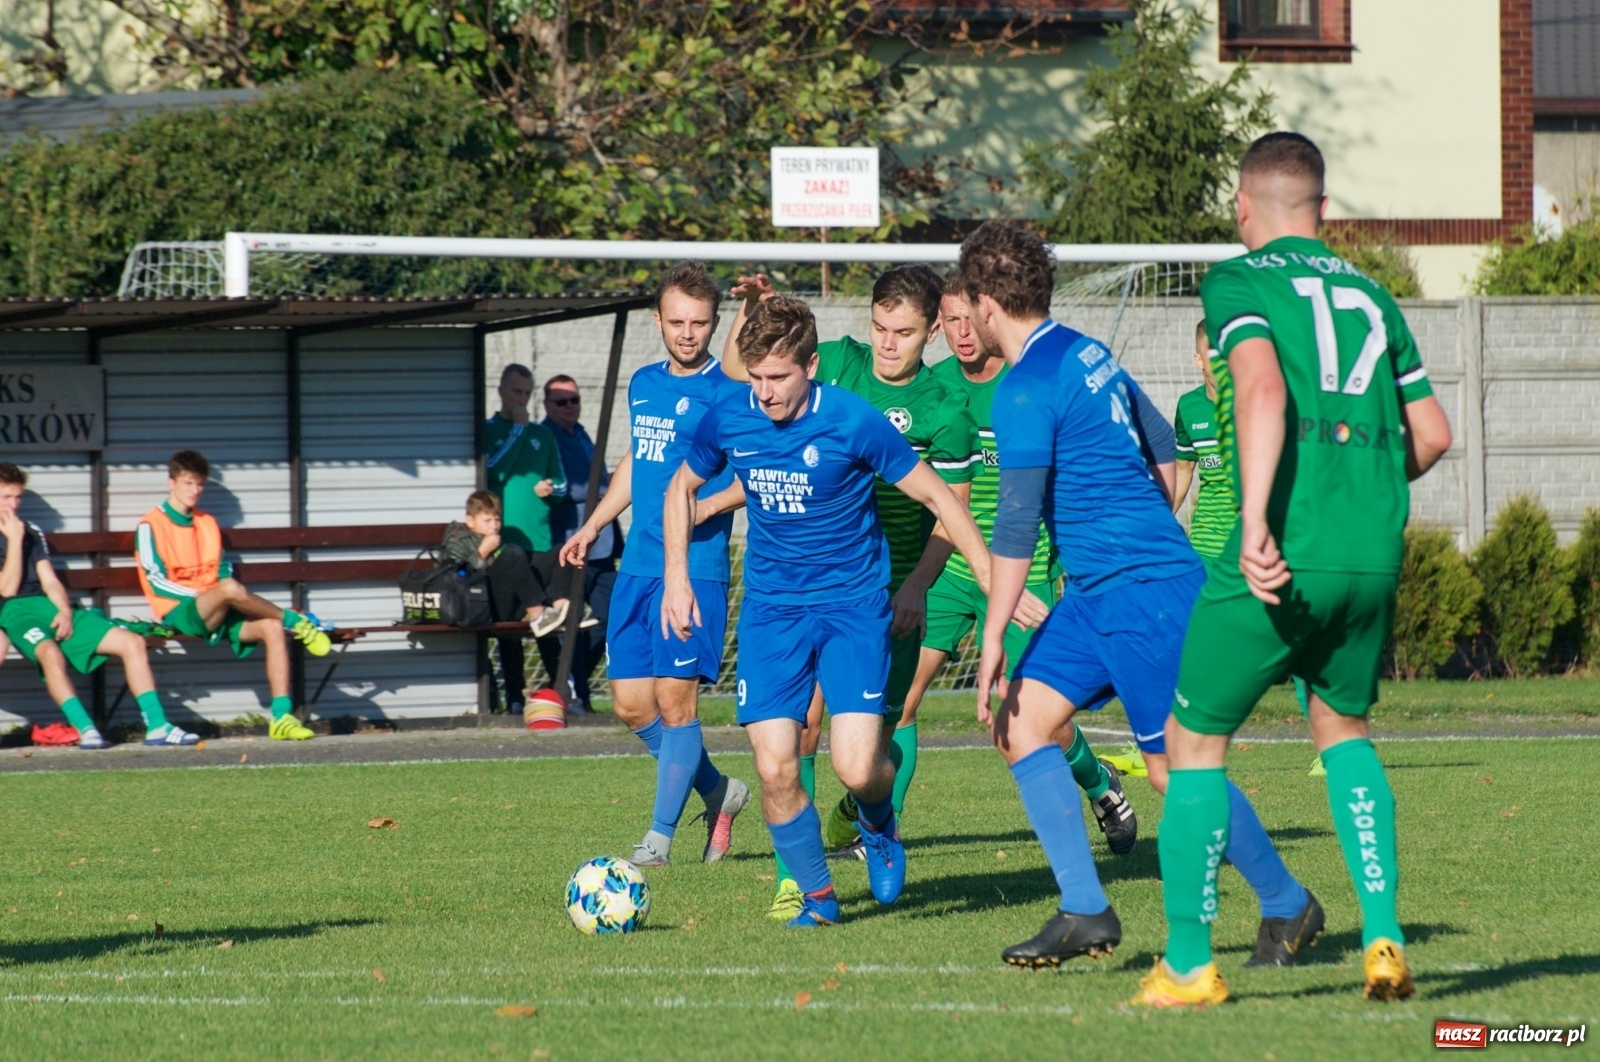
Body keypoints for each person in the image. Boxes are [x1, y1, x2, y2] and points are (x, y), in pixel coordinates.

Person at [1136, 133, 1452, 1007]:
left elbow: (1263, 390)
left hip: (1281, 552)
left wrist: (1253, 520)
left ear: (1243, 206)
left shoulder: (1241, 282)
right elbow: (1432, 436)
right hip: (1371, 555)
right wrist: (1365, 490)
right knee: (1342, 728)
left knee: (1192, 745)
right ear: (1324, 210)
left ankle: (1189, 966)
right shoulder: (1375, 296)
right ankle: (1383, 939)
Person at [959, 220, 1314, 973]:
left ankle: (1287, 902)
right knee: (1022, 723)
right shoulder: (1086, 351)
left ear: (986, 303)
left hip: (1143, 594)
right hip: (1097, 594)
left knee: (1175, 771)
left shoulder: (1022, 388)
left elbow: (1015, 526)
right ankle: (1084, 907)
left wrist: (992, 636)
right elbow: (1160, 443)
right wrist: (1131, 516)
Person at [663, 294, 993, 928]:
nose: (764, 392)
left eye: (778, 377)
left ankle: (878, 821)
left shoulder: (853, 420)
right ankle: (818, 898)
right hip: (771, 612)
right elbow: (682, 486)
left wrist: (989, 577)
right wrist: (677, 579)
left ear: (811, 366)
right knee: (774, 765)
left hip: (852, 609)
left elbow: (939, 497)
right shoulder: (731, 415)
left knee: (857, 767)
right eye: (756, 376)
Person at [896, 274, 1138, 858]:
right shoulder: (931, 389)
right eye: (949, 321)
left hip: (1021, 572)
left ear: (989, 316)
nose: (961, 332)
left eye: (968, 318)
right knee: (898, 699)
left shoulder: (1029, 384)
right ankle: (882, 834)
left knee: (1026, 711)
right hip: (948, 564)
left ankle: (1098, 783)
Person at [560, 262, 752, 867]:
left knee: (675, 702)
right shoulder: (643, 383)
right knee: (631, 705)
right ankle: (719, 791)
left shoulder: (731, 389)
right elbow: (637, 461)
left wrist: (706, 508)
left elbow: (754, 471)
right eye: (677, 322)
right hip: (638, 566)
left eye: (699, 323)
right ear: (658, 321)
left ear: (714, 323)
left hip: (694, 568)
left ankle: (658, 841)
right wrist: (594, 523)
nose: (687, 333)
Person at [1175, 320, 1323, 777]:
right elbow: (1182, 473)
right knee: (1183, 647)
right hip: (1205, 551)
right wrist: (1154, 526)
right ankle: (1169, 746)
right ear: (1198, 359)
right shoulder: (1189, 409)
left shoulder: (1260, 402)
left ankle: (1332, 747)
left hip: (1259, 548)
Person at [134, 450, 330, 742]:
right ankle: (295, 620)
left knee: (271, 626)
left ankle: (281, 718)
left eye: (200, 484)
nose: (195, 490)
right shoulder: (150, 525)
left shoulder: (207, 522)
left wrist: (220, 595)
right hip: (180, 611)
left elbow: (223, 569)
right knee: (230, 590)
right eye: (188, 483)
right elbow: (156, 581)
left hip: (219, 606)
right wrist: (206, 594)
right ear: (171, 483)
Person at [3, 463, 192, 748]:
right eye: (6, 497)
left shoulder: (31, 530)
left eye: (18, 497)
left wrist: (64, 611)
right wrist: (14, 540)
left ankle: (158, 726)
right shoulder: (18, 534)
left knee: (132, 643)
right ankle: (86, 728)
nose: (14, 505)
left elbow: (50, 580)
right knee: (50, 653)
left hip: (49, 606)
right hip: (15, 612)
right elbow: (6, 588)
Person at [484, 365, 572, 712]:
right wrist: (518, 431)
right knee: (510, 625)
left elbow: (562, 485)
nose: (521, 400)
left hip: (540, 543)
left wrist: (552, 489)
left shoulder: (543, 436)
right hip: (505, 548)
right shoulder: (488, 430)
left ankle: (562, 695)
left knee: (547, 620)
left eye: (527, 393)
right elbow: (494, 471)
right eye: (516, 392)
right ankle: (513, 698)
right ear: (501, 392)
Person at [541, 373, 620, 711]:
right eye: (561, 402)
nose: (569, 406)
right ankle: (575, 697)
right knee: (571, 623)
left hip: (603, 547)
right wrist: (606, 491)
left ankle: (568, 684)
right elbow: (563, 486)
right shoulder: (546, 438)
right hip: (571, 544)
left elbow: (598, 479)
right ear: (547, 405)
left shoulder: (583, 434)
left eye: (574, 400)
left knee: (611, 617)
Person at [441, 490, 584, 637]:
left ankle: (562, 608)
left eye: (497, 520)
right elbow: (455, 578)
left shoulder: (495, 538)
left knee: (561, 552)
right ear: (470, 521)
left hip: (511, 599)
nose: (494, 526)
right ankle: (537, 614)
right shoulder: (457, 539)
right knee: (512, 553)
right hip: (481, 605)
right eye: (487, 521)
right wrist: (482, 553)